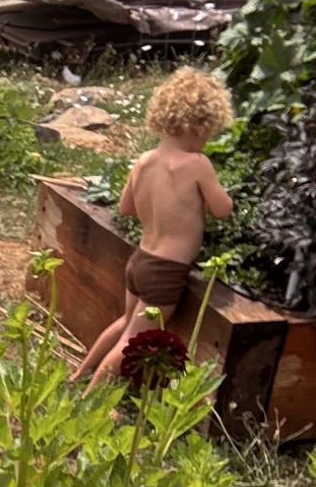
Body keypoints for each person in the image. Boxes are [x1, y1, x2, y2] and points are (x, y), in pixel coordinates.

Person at [71, 68, 234, 388]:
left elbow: (126, 208)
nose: (208, 138)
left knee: (125, 323)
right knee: (134, 339)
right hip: (166, 270)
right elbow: (223, 210)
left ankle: (77, 375)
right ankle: (89, 401)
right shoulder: (197, 164)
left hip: (141, 260)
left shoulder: (145, 160)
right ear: (199, 126)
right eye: (209, 131)